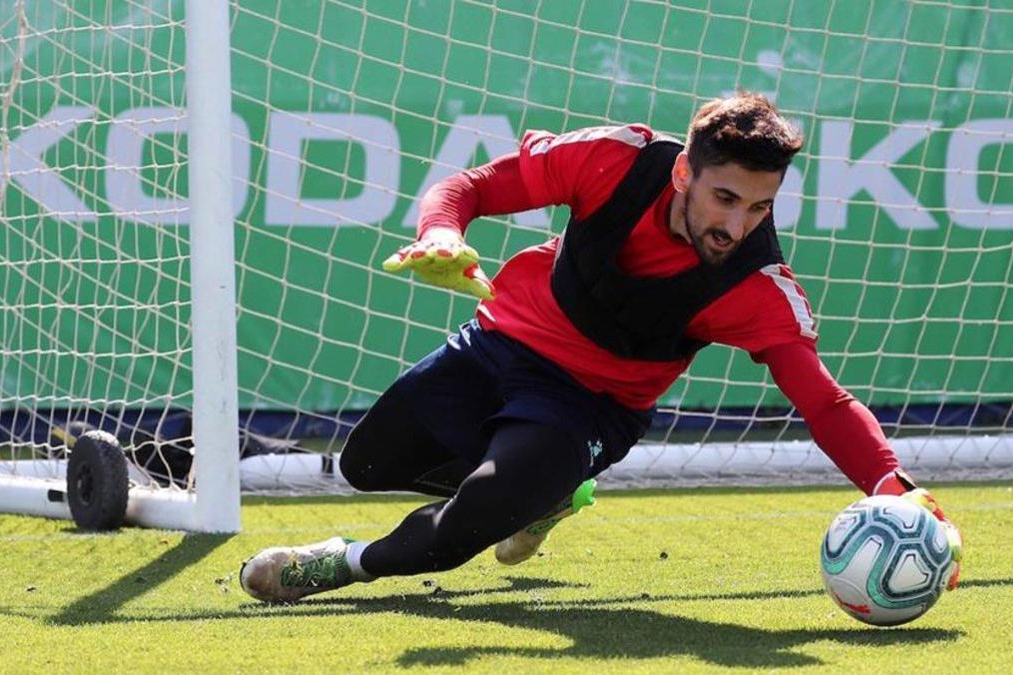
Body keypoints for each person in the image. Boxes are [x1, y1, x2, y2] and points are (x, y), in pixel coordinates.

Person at [239, 92, 963, 603]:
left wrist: (890, 482)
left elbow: (824, 401)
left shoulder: (755, 286)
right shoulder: (613, 160)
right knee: (368, 463)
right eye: (725, 198)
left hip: (590, 408)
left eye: (760, 206)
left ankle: (339, 563)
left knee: (465, 525)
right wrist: (441, 234)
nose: (738, 224)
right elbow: (469, 187)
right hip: (501, 341)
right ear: (685, 171)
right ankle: (543, 496)